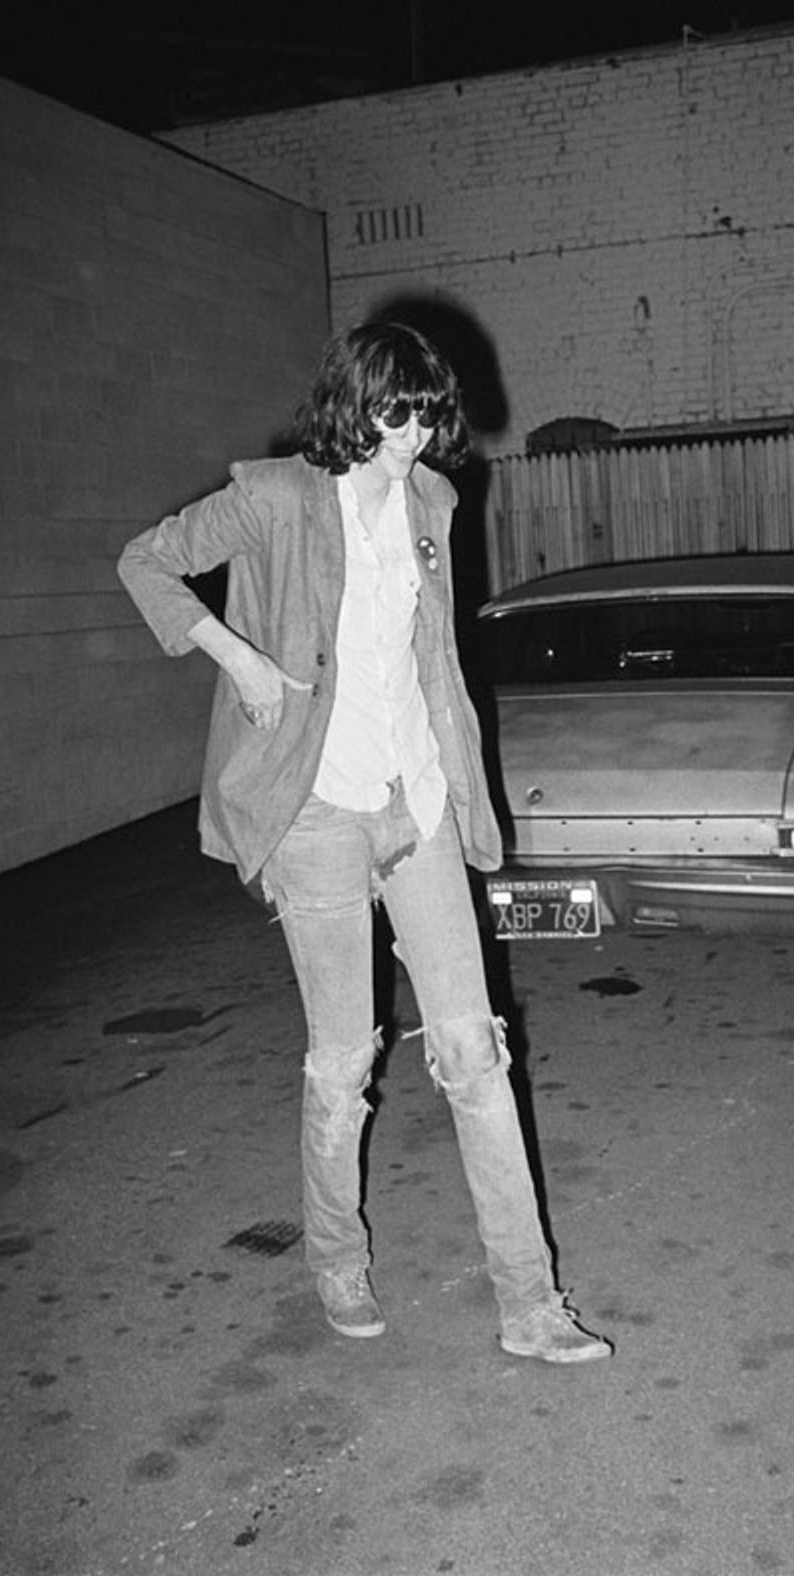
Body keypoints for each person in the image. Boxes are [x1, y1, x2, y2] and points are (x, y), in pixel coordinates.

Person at [118, 321, 611, 1364]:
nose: (414, 431)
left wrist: (458, 791)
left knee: (473, 1053)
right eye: (397, 410)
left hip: (413, 801)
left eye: (429, 411)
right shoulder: (278, 496)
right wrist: (239, 661)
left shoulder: (433, 500)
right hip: (316, 812)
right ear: (353, 404)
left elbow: (431, 660)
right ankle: (337, 1260)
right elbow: (147, 562)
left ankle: (529, 1304)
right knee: (343, 1062)